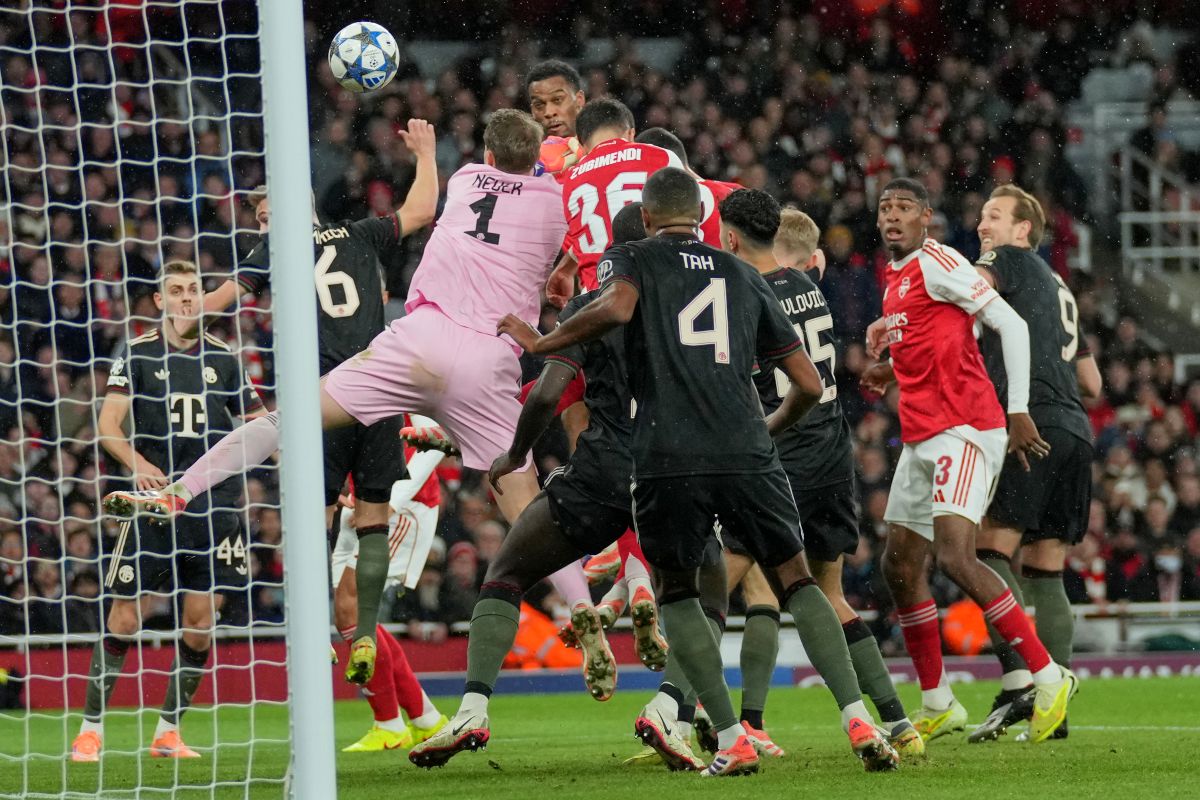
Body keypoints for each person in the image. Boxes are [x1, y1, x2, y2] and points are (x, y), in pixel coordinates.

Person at [102, 111, 610, 691]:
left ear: (488, 158)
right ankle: (582, 609)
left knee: (283, 422)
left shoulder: (468, 177)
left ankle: (181, 490)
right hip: (487, 359)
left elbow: (453, 193)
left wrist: (427, 152)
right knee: (524, 497)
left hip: (414, 343)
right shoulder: (553, 201)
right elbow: (547, 181)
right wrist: (568, 157)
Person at [496, 168, 899, 777]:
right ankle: (857, 717)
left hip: (667, 454)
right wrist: (765, 431)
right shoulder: (740, 271)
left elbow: (619, 307)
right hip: (747, 450)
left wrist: (545, 341)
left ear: (650, 217)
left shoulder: (631, 257)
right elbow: (811, 385)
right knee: (798, 581)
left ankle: (732, 735)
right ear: (703, 219)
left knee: (681, 591)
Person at [105, 120, 439, 686]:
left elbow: (215, 302)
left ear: (290, 212)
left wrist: (177, 314)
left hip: (326, 395)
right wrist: (426, 154)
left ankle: (188, 495)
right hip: (380, 389)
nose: (261, 225)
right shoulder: (359, 235)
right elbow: (421, 210)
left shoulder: (277, 247)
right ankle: (363, 636)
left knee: (315, 509)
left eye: (266, 216)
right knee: (374, 516)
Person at [408, 202, 673, 769]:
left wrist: (515, 452)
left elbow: (547, 394)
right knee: (711, 592)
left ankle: (473, 710)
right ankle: (690, 714)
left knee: (505, 572)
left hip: (603, 471)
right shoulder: (691, 302)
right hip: (677, 469)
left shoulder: (591, 307)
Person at [860, 178, 1076, 744]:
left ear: (926, 217)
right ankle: (938, 701)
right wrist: (889, 363)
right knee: (899, 568)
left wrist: (1020, 409)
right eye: (885, 208)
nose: (893, 216)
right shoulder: (896, 279)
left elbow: (1010, 322)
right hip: (921, 434)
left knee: (957, 557)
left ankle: (1048, 675)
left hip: (965, 428)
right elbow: (943, 335)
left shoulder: (938, 260)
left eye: (905, 207)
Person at [719, 194, 922, 757]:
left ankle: (687, 713)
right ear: (813, 260)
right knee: (829, 592)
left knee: (722, 585)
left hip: (780, 453)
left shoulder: (748, 293)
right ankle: (896, 720)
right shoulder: (813, 290)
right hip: (833, 454)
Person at [72, 260, 264, 762]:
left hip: (214, 507)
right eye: (175, 291)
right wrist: (137, 464)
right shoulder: (135, 354)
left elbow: (261, 425)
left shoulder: (225, 359)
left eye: (193, 290)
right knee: (125, 617)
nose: (185, 299)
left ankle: (167, 732)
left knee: (200, 620)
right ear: (158, 301)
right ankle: (89, 730)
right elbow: (109, 425)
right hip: (153, 506)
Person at [960, 185, 1102, 743]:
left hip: (1030, 423)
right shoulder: (1057, 283)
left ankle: (1025, 683)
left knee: (987, 552)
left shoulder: (1007, 261)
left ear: (1024, 231)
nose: (981, 225)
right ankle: (1056, 711)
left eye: (994, 216)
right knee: (1046, 569)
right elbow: (1093, 381)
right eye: (980, 215)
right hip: (1074, 429)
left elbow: (970, 289)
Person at [333, 413, 448, 752]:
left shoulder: (410, 374)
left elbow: (434, 442)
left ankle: (389, 723)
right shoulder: (362, 377)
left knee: (350, 606)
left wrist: (387, 504)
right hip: (362, 501)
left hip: (401, 507)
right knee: (345, 612)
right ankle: (425, 719)